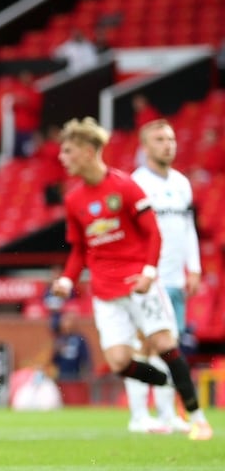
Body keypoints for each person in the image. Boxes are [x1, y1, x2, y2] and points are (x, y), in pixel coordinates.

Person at [49, 117, 212, 441]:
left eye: (68, 151)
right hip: (105, 292)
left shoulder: (124, 185)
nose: (61, 158)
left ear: (87, 150)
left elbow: (153, 233)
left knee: (165, 344)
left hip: (139, 283)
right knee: (120, 361)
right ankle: (169, 384)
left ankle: (198, 418)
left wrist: (149, 272)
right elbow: (80, 248)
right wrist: (68, 279)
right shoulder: (73, 199)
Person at [125, 119, 201, 434]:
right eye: (159, 139)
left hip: (174, 279)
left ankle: (168, 415)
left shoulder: (183, 183)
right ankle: (140, 416)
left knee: (170, 348)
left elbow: (188, 228)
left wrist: (193, 266)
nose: (168, 144)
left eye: (171, 138)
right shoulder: (135, 183)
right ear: (145, 146)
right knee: (143, 345)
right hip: (148, 279)